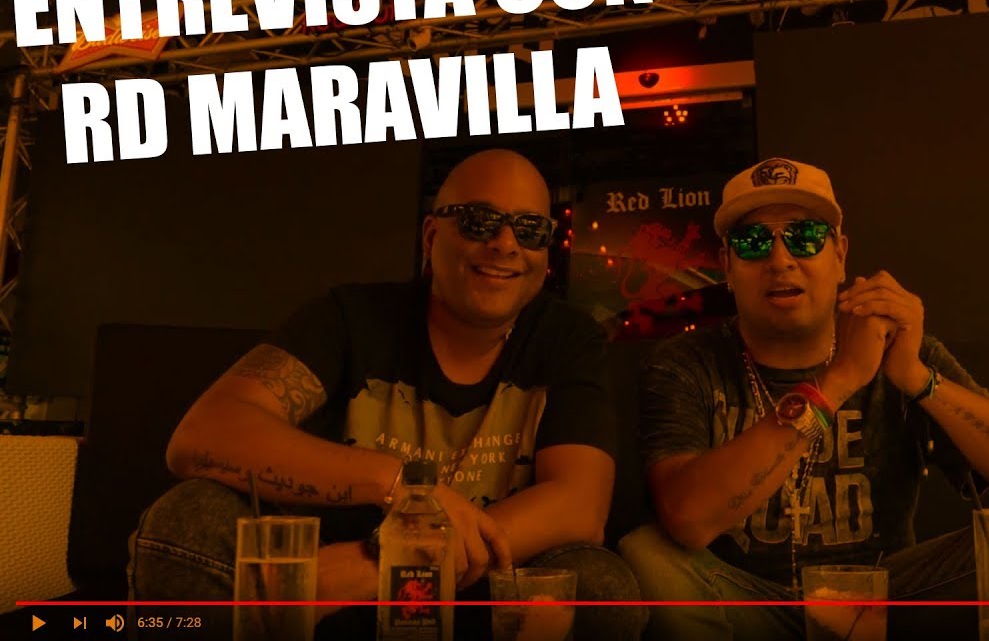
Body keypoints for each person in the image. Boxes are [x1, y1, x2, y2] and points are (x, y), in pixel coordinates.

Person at [129, 149, 646, 640]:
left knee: (599, 587)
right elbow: (203, 435)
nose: (506, 244)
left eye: (530, 230)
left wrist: (393, 559)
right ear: (431, 235)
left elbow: (580, 505)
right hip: (326, 589)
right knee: (188, 519)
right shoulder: (351, 318)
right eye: (480, 221)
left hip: (471, 589)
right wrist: (394, 482)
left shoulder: (567, 338)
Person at [619, 157, 989, 640]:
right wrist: (838, 380)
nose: (780, 260)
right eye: (753, 242)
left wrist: (915, 376)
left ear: (840, 256)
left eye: (805, 237)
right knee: (648, 554)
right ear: (727, 265)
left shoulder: (899, 352)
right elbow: (687, 520)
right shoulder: (685, 363)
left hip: (885, 597)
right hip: (745, 603)